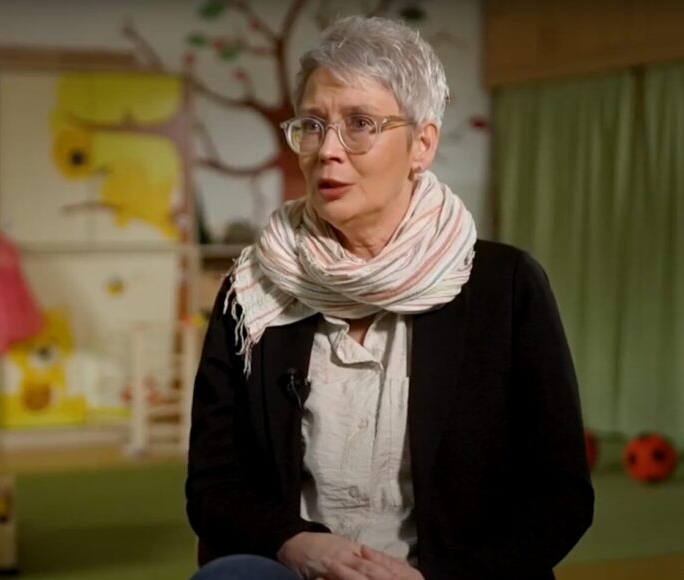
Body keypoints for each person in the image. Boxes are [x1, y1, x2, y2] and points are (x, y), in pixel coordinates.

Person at [185, 15, 593, 580]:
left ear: (422, 144)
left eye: (359, 124)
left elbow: (561, 496)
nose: (328, 150)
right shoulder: (253, 288)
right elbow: (213, 485)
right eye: (313, 125)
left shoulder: (505, 286)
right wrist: (295, 544)